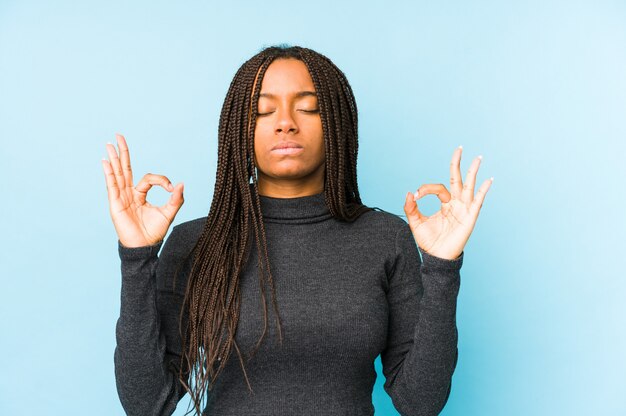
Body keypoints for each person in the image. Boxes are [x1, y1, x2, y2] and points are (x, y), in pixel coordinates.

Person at [101, 45, 492, 416]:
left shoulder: (386, 238)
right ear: (238, 130)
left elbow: (420, 403)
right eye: (262, 112)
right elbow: (147, 403)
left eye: (308, 108)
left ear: (337, 123)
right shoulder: (195, 243)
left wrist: (442, 266)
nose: (286, 124)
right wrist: (136, 256)